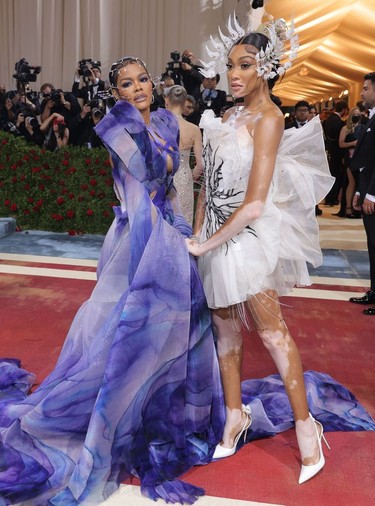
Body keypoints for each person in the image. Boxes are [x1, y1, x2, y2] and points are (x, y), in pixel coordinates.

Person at [0, 56, 224, 505]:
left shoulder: (164, 119)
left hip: (167, 232)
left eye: (143, 79)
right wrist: (163, 247)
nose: (138, 87)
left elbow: (180, 172)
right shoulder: (116, 127)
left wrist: (184, 224)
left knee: (167, 330)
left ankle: (159, 412)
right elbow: (139, 198)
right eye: (127, 83)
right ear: (116, 92)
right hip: (140, 240)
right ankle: (117, 417)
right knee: (129, 331)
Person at [186, 18, 337, 484]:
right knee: (225, 335)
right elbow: (206, 191)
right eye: (230, 65)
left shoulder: (270, 119)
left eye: (245, 66)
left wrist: (206, 243)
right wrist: (197, 241)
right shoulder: (226, 117)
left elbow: (254, 203)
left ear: (265, 70)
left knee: (272, 335)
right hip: (212, 238)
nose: (234, 75)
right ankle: (235, 416)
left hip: (245, 242)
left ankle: (307, 430)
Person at [349, 72, 375, 314]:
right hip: (367, 186)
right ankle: (374, 290)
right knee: (372, 243)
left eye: (366, 88)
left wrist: (372, 194)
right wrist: (359, 189)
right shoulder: (372, 117)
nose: (362, 92)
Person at [165, 85, 203, 224]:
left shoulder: (158, 125)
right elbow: (200, 165)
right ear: (184, 103)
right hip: (185, 179)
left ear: (166, 101)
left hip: (163, 179)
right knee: (183, 222)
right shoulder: (194, 129)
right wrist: (188, 177)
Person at [337, 106, 365, 218]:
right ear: (350, 115)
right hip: (349, 158)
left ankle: (358, 207)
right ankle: (348, 208)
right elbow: (341, 144)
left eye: (358, 114)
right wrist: (353, 143)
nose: (356, 116)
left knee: (360, 183)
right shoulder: (345, 128)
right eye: (354, 114)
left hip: (361, 158)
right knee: (352, 182)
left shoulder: (363, 127)